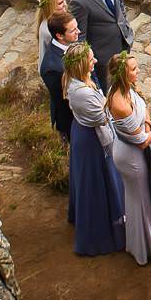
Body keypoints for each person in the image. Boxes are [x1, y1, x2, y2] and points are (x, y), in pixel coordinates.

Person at [62, 42, 126, 257]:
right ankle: (100, 234)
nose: (95, 61)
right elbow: (104, 117)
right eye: (91, 60)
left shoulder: (78, 82)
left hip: (83, 130)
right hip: (93, 140)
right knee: (97, 182)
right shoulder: (83, 93)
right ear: (81, 65)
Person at [105, 52, 151, 265]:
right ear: (122, 74)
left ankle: (141, 243)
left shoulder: (126, 90)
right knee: (142, 201)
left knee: (138, 199)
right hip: (131, 156)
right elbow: (141, 141)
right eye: (133, 69)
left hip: (133, 151)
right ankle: (147, 248)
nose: (137, 71)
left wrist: (146, 122)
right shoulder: (119, 102)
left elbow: (142, 108)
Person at [69, 0, 134, 91]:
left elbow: (119, 1)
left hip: (123, 42)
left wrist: (124, 23)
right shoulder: (80, 1)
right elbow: (80, 38)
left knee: (126, 81)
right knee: (111, 90)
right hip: (104, 58)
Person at [39, 11, 77, 141]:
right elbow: (65, 102)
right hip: (72, 121)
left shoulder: (70, 41)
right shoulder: (52, 68)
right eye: (73, 31)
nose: (78, 31)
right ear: (59, 35)